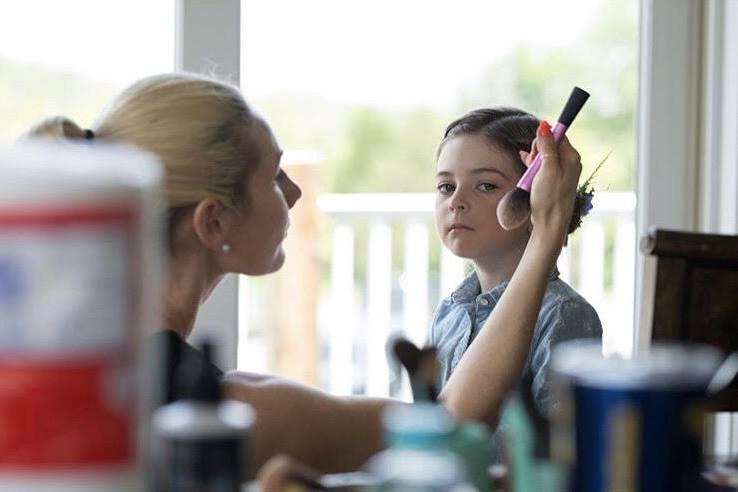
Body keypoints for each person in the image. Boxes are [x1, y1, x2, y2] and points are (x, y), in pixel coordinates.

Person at [24, 73, 587, 480]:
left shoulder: (105, 371)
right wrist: (544, 233)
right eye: (273, 177)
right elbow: (446, 426)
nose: (294, 194)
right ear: (213, 219)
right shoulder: (219, 408)